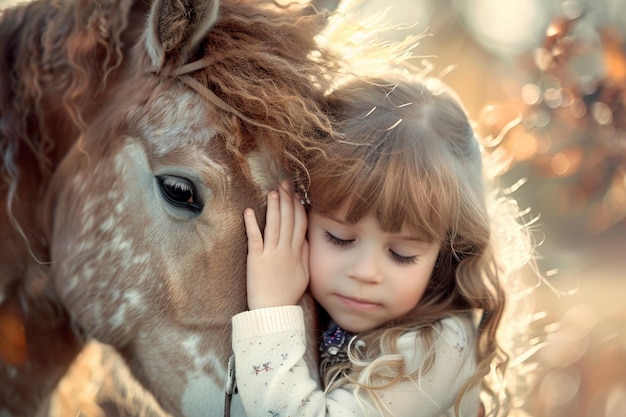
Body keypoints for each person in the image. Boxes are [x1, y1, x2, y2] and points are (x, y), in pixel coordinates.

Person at [232, 73, 536, 416]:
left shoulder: (441, 347)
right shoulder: (330, 315)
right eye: (340, 238)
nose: (365, 272)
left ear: (446, 254)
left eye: (401, 254)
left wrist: (270, 309)